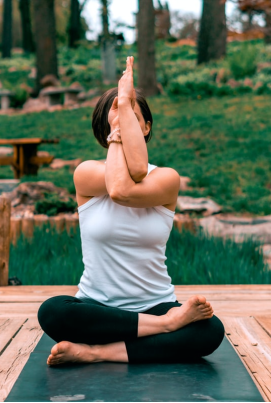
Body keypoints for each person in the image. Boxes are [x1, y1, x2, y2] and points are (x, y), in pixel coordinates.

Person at [38, 56, 225, 366]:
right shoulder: (86, 173)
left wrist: (123, 107)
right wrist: (122, 120)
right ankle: (163, 328)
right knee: (52, 311)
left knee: (210, 331)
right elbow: (119, 188)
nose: (123, 124)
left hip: (155, 304)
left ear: (147, 126)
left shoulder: (166, 178)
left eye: (132, 118)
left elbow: (134, 178)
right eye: (116, 119)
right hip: (98, 309)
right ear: (105, 128)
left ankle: (96, 352)